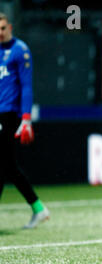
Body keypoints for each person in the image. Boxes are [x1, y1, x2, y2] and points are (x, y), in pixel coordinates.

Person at [0, 12, 50, 229]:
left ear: (10, 27)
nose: (0, 32)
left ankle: (39, 209)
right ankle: (38, 208)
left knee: (4, 165)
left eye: (2, 28)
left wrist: (26, 119)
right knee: (7, 166)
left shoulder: (20, 50)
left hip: (9, 114)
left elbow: (26, 86)